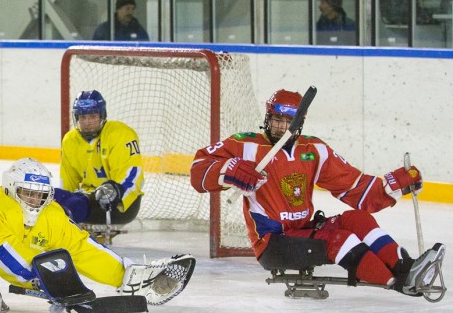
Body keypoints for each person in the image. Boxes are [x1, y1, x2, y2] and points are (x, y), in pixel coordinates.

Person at [190, 88, 444, 298]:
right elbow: (198, 170)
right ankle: (399, 284)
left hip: (304, 230)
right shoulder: (244, 145)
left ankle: (407, 268)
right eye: (277, 120)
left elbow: (355, 188)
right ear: (267, 118)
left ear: (299, 123)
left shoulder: (314, 149)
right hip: (273, 243)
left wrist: (394, 184)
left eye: (290, 121)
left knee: (357, 220)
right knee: (341, 239)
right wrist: (227, 169)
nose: (282, 127)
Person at [0, 158, 193, 306]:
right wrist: (41, 279)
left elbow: (81, 247)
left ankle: (132, 279)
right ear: (10, 189)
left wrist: (125, 271)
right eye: (28, 193)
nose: (35, 200)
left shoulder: (50, 213)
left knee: (74, 244)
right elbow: (4, 256)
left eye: (40, 194)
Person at [53, 90, 144, 230]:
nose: (87, 122)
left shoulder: (120, 134)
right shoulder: (70, 140)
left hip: (120, 202)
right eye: (82, 117)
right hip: (87, 198)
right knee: (55, 198)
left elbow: (132, 175)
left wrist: (117, 192)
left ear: (102, 115)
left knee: (73, 206)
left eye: (92, 116)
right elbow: (67, 183)